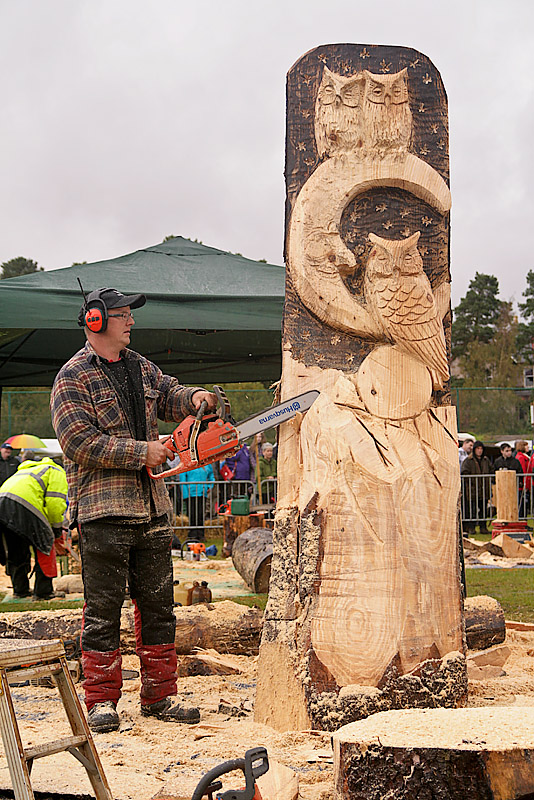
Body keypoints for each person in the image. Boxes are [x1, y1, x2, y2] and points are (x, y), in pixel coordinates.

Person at [50, 286, 217, 734]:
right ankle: (101, 699)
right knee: (103, 607)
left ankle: (160, 695)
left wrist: (198, 397)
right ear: (95, 320)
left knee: (160, 607)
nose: (131, 322)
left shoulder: (141, 367)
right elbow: (78, 442)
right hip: (104, 510)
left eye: (129, 315)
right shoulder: (72, 377)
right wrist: (141, 451)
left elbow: (171, 394)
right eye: (123, 315)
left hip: (152, 510)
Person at [0, 457, 68, 599]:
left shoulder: (26, 470)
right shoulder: (56, 471)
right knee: (45, 544)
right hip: (24, 504)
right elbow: (55, 504)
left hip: (2, 504)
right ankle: (43, 591)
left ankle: (20, 590)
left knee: (16, 549)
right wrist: (55, 531)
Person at [460, 441, 493, 535]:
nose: (480, 451)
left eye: (481, 449)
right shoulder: (468, 460)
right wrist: (471, 483)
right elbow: (464, 472)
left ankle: (483, 527)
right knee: (472, 510)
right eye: (478, 449)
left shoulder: (486, 460)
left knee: (483, 510)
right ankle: (471, 527)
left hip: (484, 490)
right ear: (474, 450)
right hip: (473, 490)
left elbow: (491, 470)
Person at [178, 463, 214, 542]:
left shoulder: (207, 464)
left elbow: (211, 476)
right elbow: (182, 478)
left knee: (200, 514)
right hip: (190, 493)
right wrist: (185, 495)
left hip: (202, 493)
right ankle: (192, 534)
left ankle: (201, 535)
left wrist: (210, 486)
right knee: (192, 514)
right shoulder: (186, 463)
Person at [514, 440, 531, 517]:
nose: (528, 447)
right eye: (526, 445)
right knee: (522, 503)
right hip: (523, 483)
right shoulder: (521, 458)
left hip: (526, 482)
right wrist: (525, 484)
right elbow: (523, 471)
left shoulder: (525, 457)